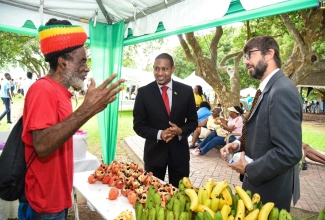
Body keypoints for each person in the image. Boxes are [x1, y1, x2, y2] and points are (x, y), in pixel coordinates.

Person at [20, 18, 124, 219]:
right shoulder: (42, 89)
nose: (86, 68)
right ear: (63, 62)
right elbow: (41, 145)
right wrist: (87, 110)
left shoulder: (62, 93)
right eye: (83, 61)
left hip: (57, 199)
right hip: (43, 204)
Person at [220, 35, 302, 211]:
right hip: (260, 187)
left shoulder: (281, 90)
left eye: (250, 54)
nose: (245, 62)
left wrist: (250, 169)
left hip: (270, 191)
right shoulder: (267, 88)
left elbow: (289, 152)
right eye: (244, 57)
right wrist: (237, 144)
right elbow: (260, 131)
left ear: (269, 54)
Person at [133, 53, 198, 187]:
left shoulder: (186, 91)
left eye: (165, 69)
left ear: (173, 69)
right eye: (157, 69)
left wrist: (180, 131)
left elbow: (193, 122)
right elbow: (138, 125)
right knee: (152, 195)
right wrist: (159, 134)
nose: (160, 73)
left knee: (180, 195)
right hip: (154, 155)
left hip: (179, 155)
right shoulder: (144, 93)